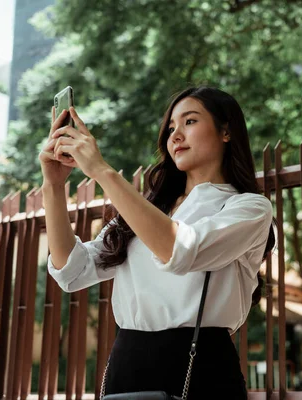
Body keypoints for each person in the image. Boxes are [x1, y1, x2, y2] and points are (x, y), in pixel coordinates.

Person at [39, 86, 275, 399]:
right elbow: (73, 271)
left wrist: (100, 170)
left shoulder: (248, 208)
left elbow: (180, 250)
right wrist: (53, 187)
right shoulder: (148, 212)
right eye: (171, 128)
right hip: (127, 363)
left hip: (199, 367)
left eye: (189, 122)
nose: (176, 135)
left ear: (226, 131)